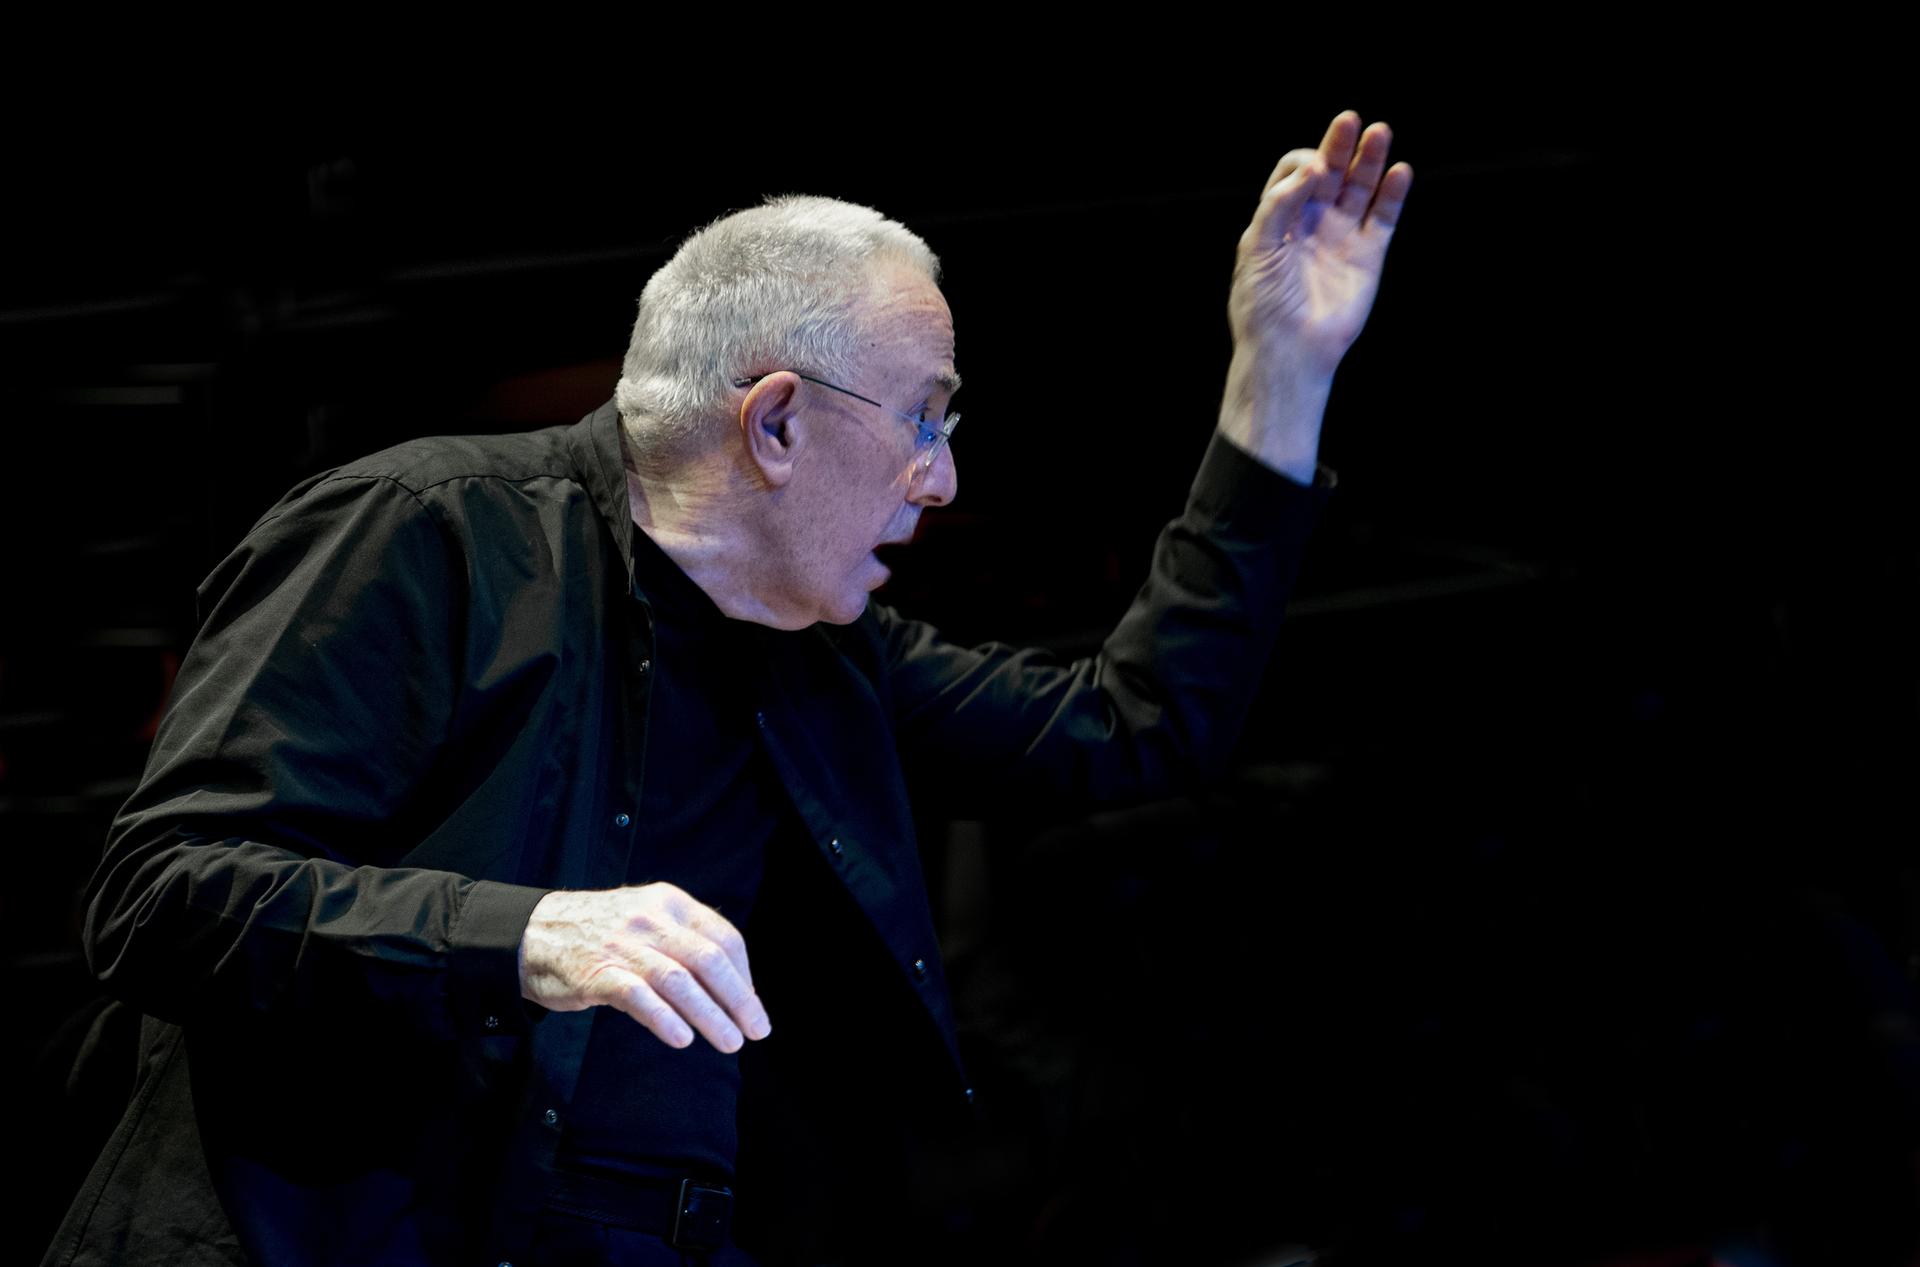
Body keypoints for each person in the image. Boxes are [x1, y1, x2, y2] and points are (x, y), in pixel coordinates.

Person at [42, 112, 1411, 1267]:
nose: (942, 479)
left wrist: (1280, 379)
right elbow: (162, 891)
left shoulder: (826, 654)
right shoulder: (426, 533)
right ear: (776, 421)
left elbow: (1133, 730)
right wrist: (523, 935)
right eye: (926, 417)